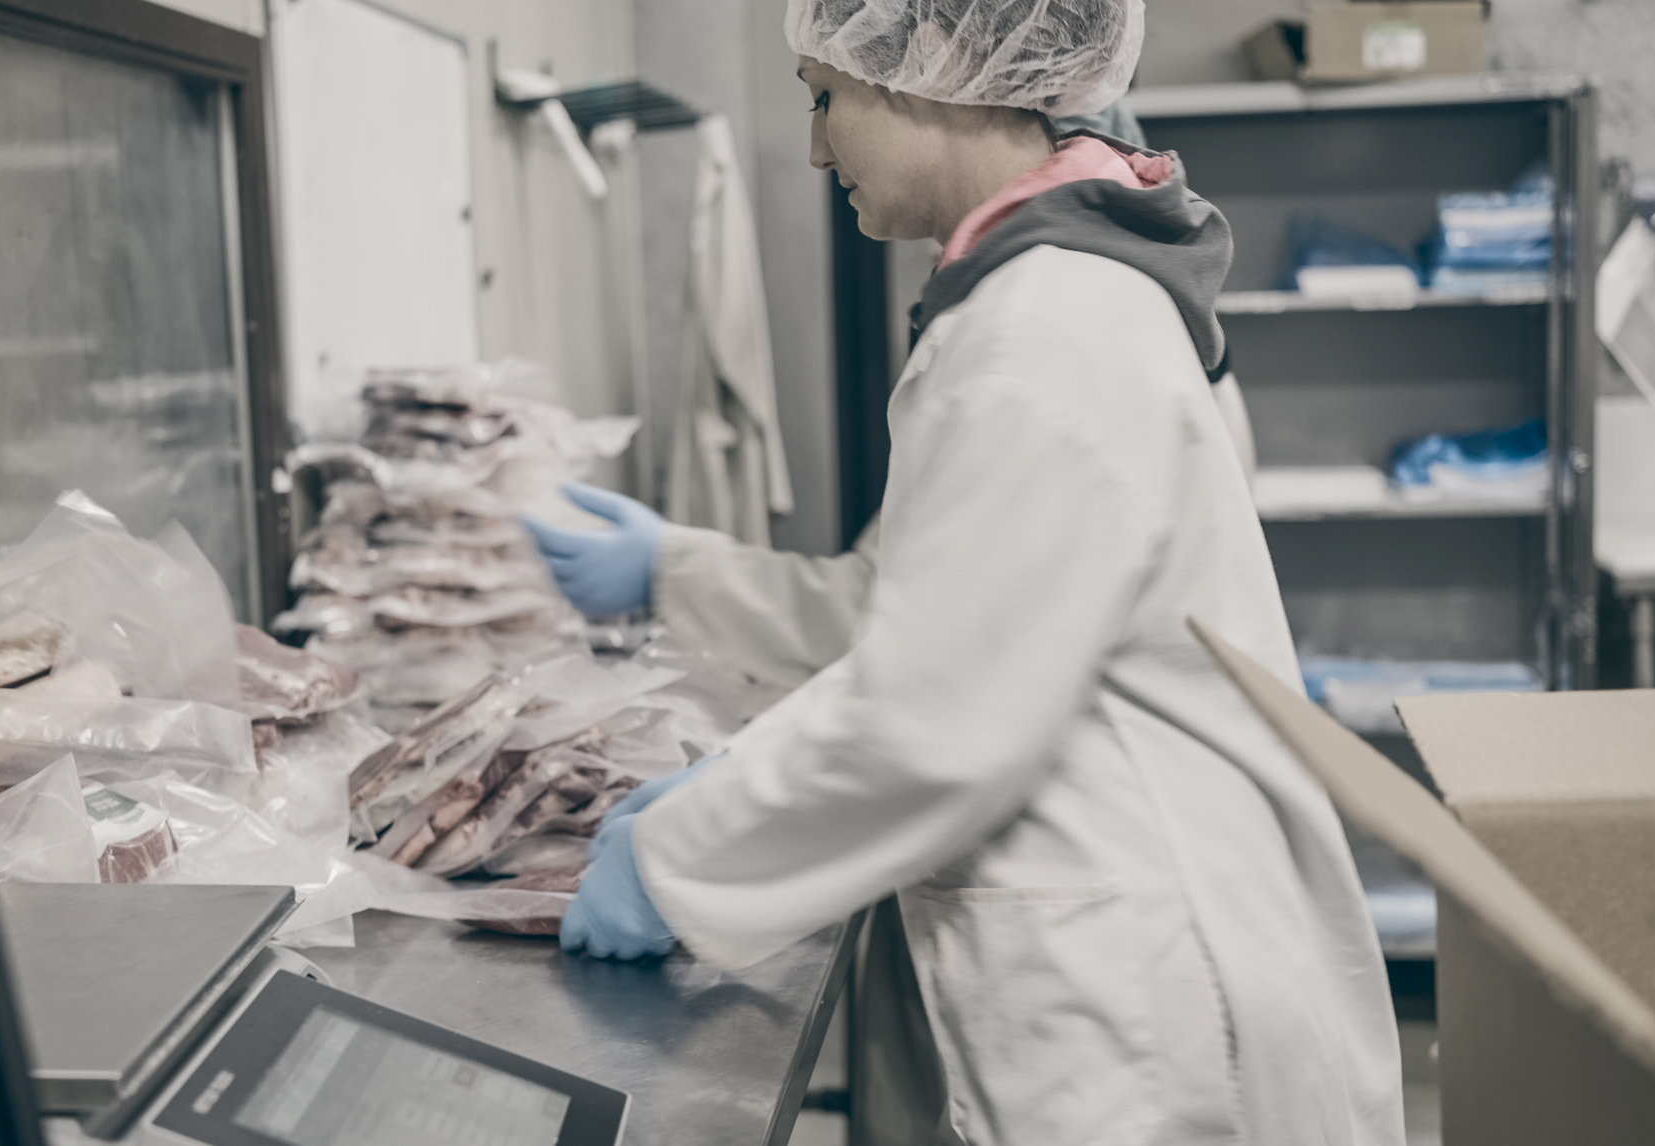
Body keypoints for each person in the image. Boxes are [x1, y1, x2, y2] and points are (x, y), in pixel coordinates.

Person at [522, 2, 1406, 1143]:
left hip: (1151, 1011)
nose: (813, 147)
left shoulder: (1041, 334)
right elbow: (926, 622)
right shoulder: (1044, 297)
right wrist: (679, 599)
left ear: (932, 68)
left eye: (822, 96)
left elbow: (934, 718)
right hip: (1147, 954)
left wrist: (679, 860)